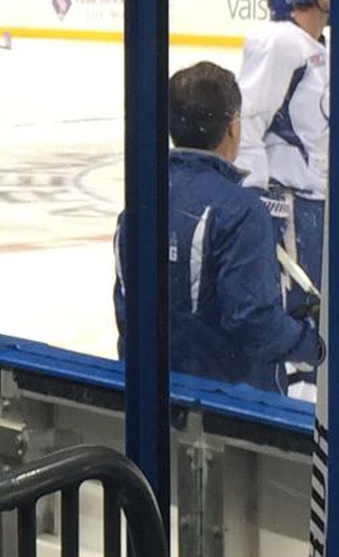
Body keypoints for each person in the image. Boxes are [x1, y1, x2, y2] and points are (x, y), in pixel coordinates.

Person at [113, 62, 325, 393]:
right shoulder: (240, 211)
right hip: (231, 405)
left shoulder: (140, 204)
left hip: (152, 397)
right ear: (233, 128)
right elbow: (254, 322)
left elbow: (126, 309)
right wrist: (313, 346)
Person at [235, 0, 330, 340]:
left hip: (319, 203)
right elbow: (249, 117)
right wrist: (256, 198)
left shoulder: (318, 48)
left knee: (322, 314)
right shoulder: (281, 43)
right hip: (291, 205)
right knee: (300, 317)